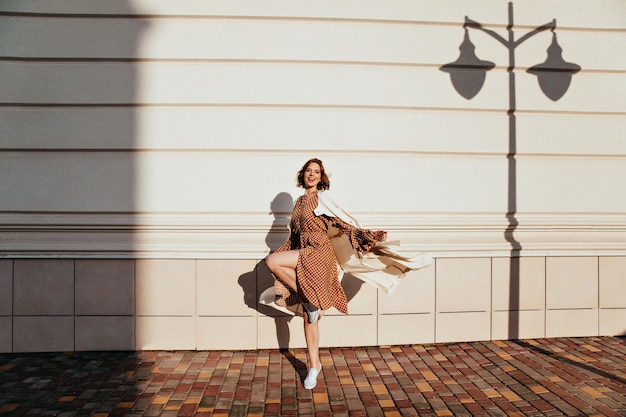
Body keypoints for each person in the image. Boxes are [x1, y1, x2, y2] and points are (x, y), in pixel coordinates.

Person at [265, 158, 432, 390]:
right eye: (308, 171)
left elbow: (343, 224)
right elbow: (295, 236)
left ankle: (311, 304)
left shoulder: (323, 199)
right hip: (302, 251)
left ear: (321, 177)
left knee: (272, 261)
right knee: (307, 314)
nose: (311, 175)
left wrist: (366, 236)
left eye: (316, 172)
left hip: (319, 254)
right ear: (302, 174)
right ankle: (314, 365)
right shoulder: (299, 202)